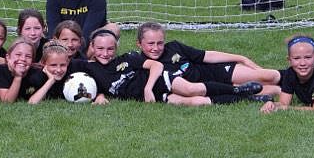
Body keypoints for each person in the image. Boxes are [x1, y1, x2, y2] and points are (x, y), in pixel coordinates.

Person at [74, 29, 263, 106]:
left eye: (109, 49)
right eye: (100, 49)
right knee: (197, 102)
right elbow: (67, 63)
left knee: (191, 89)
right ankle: (248, 97)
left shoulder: (128, 58)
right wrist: (99, 96)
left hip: (161, 80)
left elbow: (156, 65)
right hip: (156, 96)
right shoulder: (90, 68)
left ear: (116, 48)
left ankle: (237, 89)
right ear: (91, 47)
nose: (105, 53)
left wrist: (148, 88)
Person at [135, 22, 280, 98]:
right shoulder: (140, 64)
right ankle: (293, 90)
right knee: (276, 90)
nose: (156, 48)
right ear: (139, 44)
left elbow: (207, 56)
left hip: (214, 72)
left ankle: (296, 77)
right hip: (209, 89)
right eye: (150, 44)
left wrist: (241, 58)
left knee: (271, 76)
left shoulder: (174, 47)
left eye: (159, 43)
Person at [0, 38, 45, 102]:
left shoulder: (37, 73)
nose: (23, 59)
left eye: (28, 56)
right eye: (18, 54)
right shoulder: (2, 70)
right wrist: (18, 76)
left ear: (32, 60)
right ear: (8, 57)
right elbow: (7, 101)